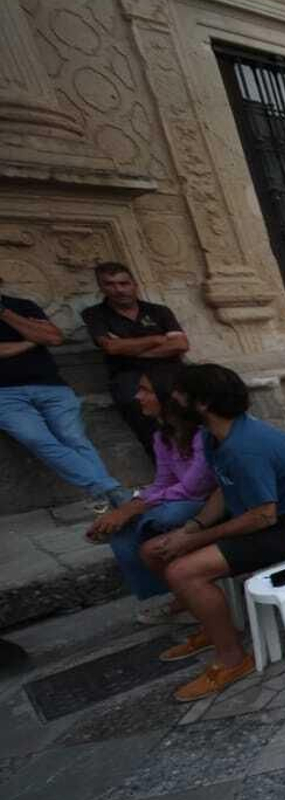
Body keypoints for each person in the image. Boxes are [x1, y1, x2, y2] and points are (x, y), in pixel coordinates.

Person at [142, 365, 285, 702]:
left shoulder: (244, 447)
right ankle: (214, 628)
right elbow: (224, 489)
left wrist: (194, 540)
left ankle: (232, 659)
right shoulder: (215, 437)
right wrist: (194, 527)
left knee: (183, 571)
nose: (170, 402)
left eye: (177, 396)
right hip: (263, 521)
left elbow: (263, 515)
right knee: (153, 550)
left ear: (201, 403)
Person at [86, 368, 215, 622]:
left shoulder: (203, 434)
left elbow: (194, 487)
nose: (138, 396)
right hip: (184, 498)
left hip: (212, 501)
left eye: (145, 390)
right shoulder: (163, 437)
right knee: (123, 522)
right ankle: (178, 595)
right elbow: (163, 482)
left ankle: (188, 595)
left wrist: (135, 508)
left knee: (165, 515)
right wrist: (130, 506)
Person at [0, 283, 129, 510]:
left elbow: (55, 337)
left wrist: (4, 314)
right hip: (5, 394)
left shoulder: (22, 306)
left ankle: (104, 493)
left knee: (74, 438)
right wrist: (34, 338)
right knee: (36, 439)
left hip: (52, 386)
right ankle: (109, 488)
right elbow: (13, 347)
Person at [80, 262, 189, 458]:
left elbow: (180, 345)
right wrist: (157, 339)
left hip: (169, 370)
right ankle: (168, 474)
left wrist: (127, 347)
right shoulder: (95, 314)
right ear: (101, 287)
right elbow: (111, 347)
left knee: (190, 412)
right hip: (128, 374)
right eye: (110, 284)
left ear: (134, 284)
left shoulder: (159, 311)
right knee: (144, 421)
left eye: (124, 283)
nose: (119, 290)